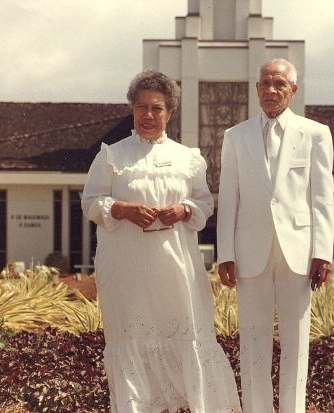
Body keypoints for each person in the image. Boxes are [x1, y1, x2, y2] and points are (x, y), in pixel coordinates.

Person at [82, 69, 241, 413]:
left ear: (170, 112)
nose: (148, 115)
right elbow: (90, 202)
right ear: (132, 110)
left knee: (183, 334)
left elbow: (204, 203)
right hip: (127, 267)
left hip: (175, 267)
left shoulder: (188, 158)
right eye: (141, 107)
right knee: (133, 339)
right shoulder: (111, 155)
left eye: (156, 108)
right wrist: (121, 209)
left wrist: (183, 210)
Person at [216, 58, 334, 413]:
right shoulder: (235, 137)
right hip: (249, 253)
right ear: (256, 89)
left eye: (279, 84)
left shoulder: (315, 134)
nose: (271, 90)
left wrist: (323, 252)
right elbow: (228, 197)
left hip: (298, 253)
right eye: (265, 83)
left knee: (297, 343)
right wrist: (225, 254)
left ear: (292, 90)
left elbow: (321, 197)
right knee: (253, 342)